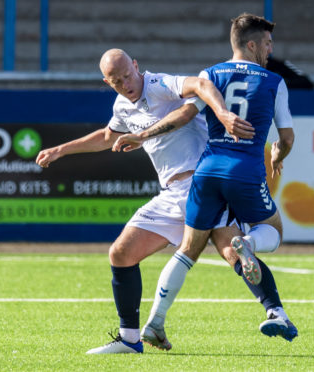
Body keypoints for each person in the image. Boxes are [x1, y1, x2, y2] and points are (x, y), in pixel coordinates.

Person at [35, 48, 259, 354]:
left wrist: (221, 112)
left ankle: (277, 312)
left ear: (136, 66)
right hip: (171, 195)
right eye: (116, 81)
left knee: (234, 254)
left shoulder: (160, 84)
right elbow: (106, 136)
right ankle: (129, 340)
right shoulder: (122, 106)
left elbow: (202, 85)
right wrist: (60, 150)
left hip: (203, 185)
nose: (125, 83)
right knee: (121, 253)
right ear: (107, 81)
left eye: (128, 75)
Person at [113, 13, 298, 345]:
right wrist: (277, 156)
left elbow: (184, 114)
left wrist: (142, 136)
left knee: (187, 250)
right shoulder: (273, 81)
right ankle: (252, 248)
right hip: (245, 171)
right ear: (252, 44)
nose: (270, 50)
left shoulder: (210, 74)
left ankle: (154, 323)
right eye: (267, 43)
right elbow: (287, 138)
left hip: (206, 171)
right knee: (271, 231)